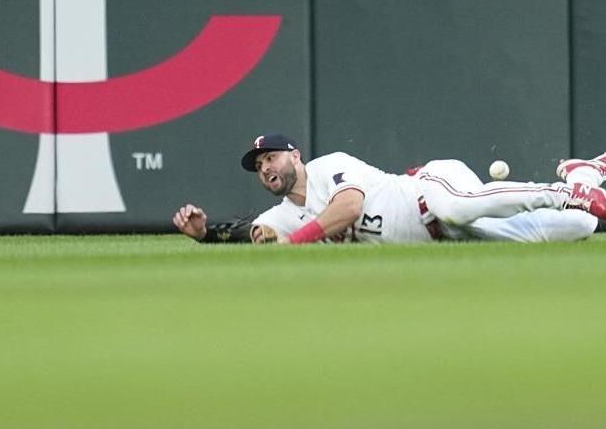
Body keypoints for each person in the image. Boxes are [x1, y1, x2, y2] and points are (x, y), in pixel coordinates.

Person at [172, 134, 606, 245]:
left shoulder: (329, 167)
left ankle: (563, 190)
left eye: (272, 156)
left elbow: (347, 208)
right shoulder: (282, 215)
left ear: (295, 156)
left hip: (429, 190)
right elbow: (256, 233)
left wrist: (297, 241)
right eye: (260, 164)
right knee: (579, 228)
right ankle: (583, 177)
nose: (266, 166)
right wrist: (207, 233)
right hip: (453, 235)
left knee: (457, 207)